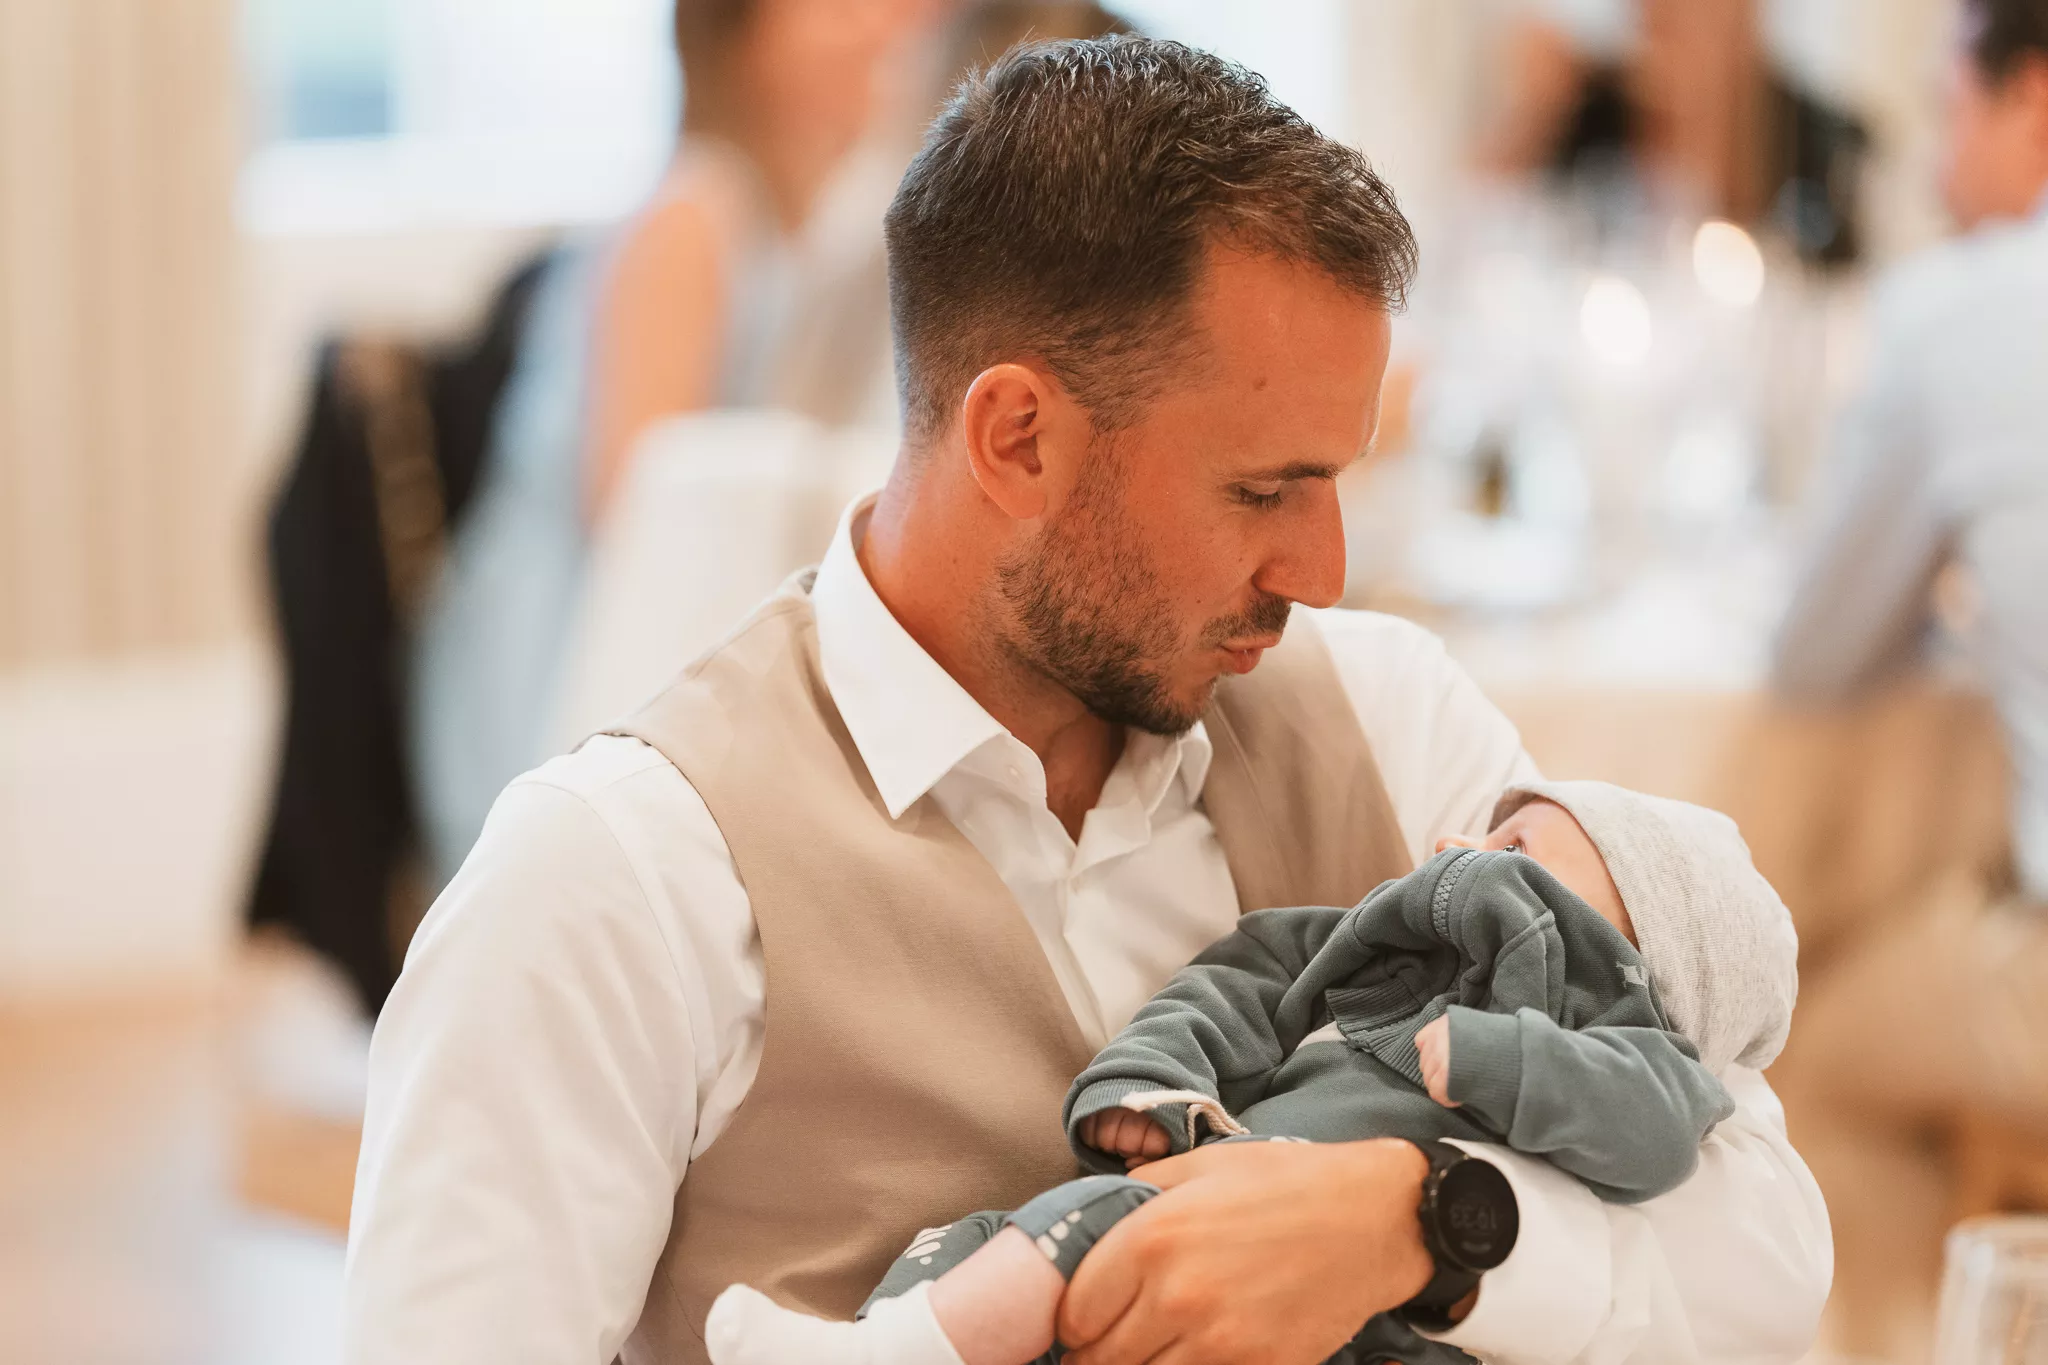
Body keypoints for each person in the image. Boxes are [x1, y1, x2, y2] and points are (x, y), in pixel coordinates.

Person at [345, 37, 1829, 1365]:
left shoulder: (1386, 715)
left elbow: (1767, 1240)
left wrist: (1422, 1222)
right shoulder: (613, 879)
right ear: (1016, 438)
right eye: (1264, 491)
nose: (1322, 571)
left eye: (1338, 481)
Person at [707, 782, 1798, 1365]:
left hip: (1382, 1322)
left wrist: (1500, 1061)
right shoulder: (1363, 951)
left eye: (1513, 845)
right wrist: (1152, 1081)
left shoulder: (1630, 1044)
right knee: (986, 1236)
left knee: (1081, 1228)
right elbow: (1230, 986)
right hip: (1214, 1191)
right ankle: (883, 1345)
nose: (1456, 848)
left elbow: (1661, 1136)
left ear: (1638, 941)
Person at [409, 0, 932, 887]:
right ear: (745, 39)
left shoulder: (806, 220)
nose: (880, 29)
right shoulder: (692, 214)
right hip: (566, 652)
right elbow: (630, 497)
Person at [1770, 0, 2048, 1354]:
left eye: (1952, 113)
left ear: (2033, 101)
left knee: (1791, 1065)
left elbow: (1813, 653)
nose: (1938, 163)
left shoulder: (1965, 313)